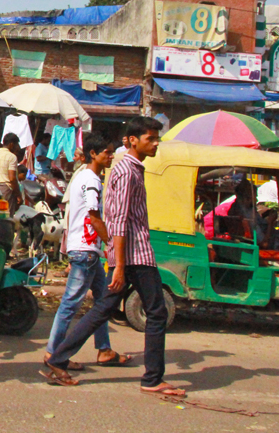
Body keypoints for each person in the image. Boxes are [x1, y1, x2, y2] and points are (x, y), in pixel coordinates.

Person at [41, 116, 185, 397]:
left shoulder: (128, 169)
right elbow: (117, 221)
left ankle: (59, 359)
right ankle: (153, 379)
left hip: (129, 253)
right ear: (132, 140)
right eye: (150, 139)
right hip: (133, 255)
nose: (155, 144)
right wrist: (117, 265)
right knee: (156, 313)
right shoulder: (126, 171)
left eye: (157, 139)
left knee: (102, 310)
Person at [45, 133, 132, 369]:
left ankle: (104, 349)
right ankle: (54, 353)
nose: (111, 156)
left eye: (112, 151)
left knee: (103, 302)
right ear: (93, 154)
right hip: (86, 250)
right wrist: (112, 243)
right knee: (70, 304)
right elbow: (94, 217)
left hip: (85, 248)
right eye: (107, 152)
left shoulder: (82, 176)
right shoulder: (91, 180)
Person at [0, 133, 22, 213]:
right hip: (5, 190)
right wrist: (18, 195)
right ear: (11, 144)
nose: (18, 147)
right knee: (6, 216)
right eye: (17, 144)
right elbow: (12, 179)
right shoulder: (12, 157)